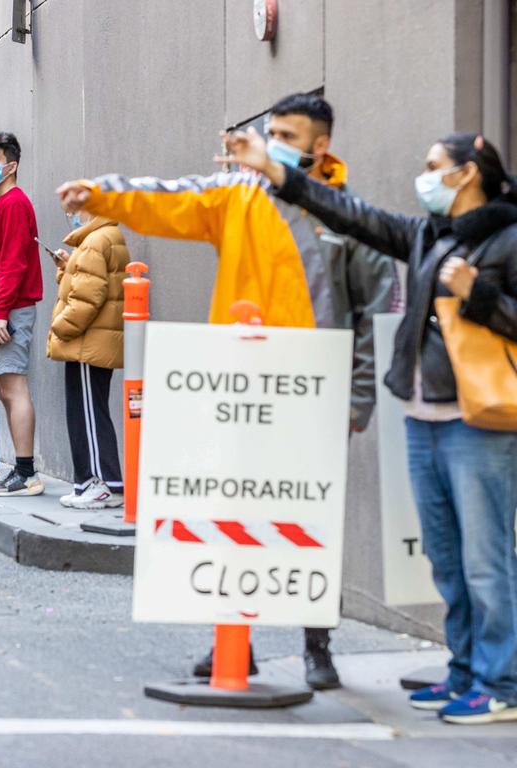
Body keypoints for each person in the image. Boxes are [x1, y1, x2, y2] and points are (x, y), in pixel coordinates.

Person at [57, 93, 400, 690]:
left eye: (287, 135)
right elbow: (172, 198)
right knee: (229, 514)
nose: (273, 145)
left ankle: (316, 644)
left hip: (311, 390)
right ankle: (229, 645)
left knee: (307, 518)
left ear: (321, 146)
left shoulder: (346, 215)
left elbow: (374, 314)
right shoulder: (237, 198)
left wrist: (357, 397)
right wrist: (103, 193)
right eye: (271, 133)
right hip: (236, 385)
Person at [221, 127, 517, 724]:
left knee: (486, 560)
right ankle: (464, 672)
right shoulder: (429, 234)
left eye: (435, 165)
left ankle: (501, 683)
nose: (425, 175)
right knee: (446, 559)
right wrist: (281, 175)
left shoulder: (508, 239)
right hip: (422, 415)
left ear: (468, 173)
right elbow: (352, 214)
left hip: (478, 421)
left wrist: (479, 292)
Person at [0, 131, 44, 496]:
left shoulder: (14, 203)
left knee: (13, 387)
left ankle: (26, 471)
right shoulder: (2, 204)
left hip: (10, 309)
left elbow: (14, 263)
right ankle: (21, 469)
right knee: (5, 387)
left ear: (12, 165)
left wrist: (0, 314)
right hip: (0, 308)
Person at [46, 212, 129, 508]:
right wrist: (66, 268)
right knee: (90, 410)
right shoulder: (107, 236)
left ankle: (101, 482)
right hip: (95, 340)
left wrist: (60, 327)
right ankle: (93, 483)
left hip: (87, 341)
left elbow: (88, 297)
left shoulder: (96, 240)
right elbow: (88, 284)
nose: (70, 213)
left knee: (88, 412)